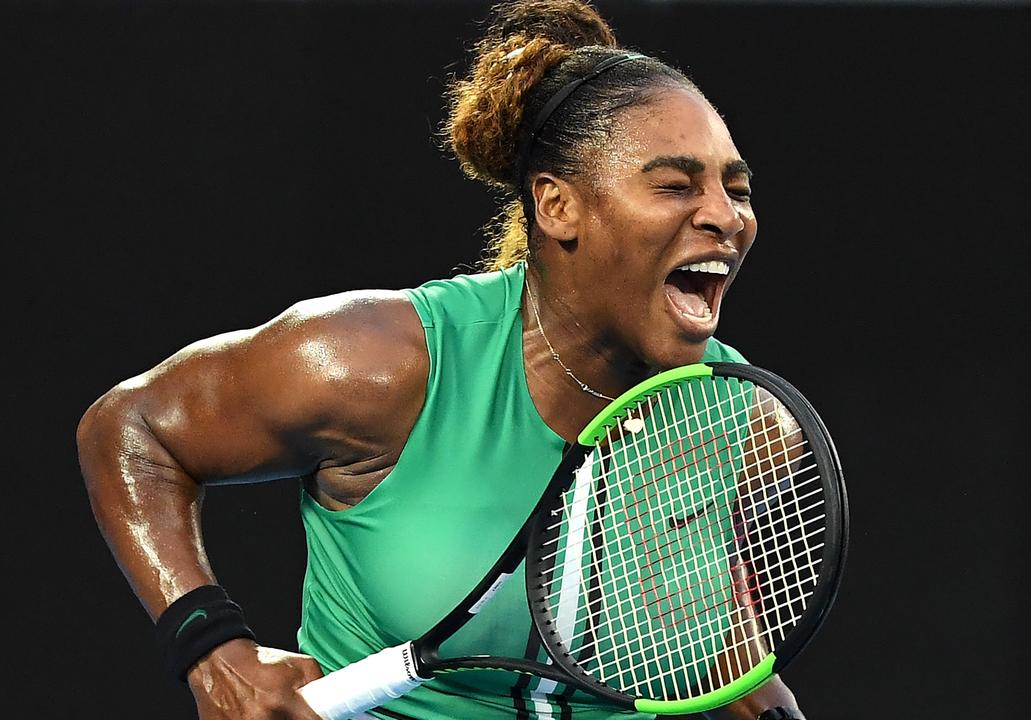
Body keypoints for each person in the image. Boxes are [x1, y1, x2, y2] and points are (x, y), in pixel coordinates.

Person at [77, 1, 806, 718]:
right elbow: (132, 427)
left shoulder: (748, 423)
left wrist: (757, 695)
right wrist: (211, 650)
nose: (725, 215)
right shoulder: (376, 363)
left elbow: (696, 615)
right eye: (676, 185)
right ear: (558, 208)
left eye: (736, 190)